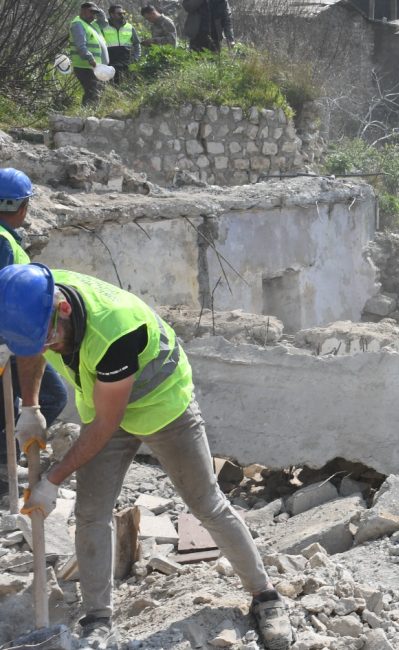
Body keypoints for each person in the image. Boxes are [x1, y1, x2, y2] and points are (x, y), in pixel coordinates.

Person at [3, 264, 293, 650]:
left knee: (206, 503)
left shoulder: (117, 329)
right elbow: (29, 347)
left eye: (46, 339)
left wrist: (52, 479)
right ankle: (98, 623)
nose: (43, 347)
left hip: (162, 405)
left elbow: (107, 424)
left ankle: (266, 597)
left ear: (65, 309)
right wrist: (31, 406)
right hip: (102, 402)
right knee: (90, 513)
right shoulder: (32, 298)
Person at [0, 171, 67, 498]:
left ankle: (6, 464)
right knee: (53, 396)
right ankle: (4, 465)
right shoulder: (1, 241)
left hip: (9, 337)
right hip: (9, 338)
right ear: (21, 206)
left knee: (9, 404)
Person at [69, 2, 109, 106]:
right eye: (91, 12)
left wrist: (99, 11)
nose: (93, 15)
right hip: (85, 65)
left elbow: (104, 23)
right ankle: (86, 115)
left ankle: (91, 114)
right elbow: (80, 45)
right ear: (83, 11)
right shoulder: (78, 24)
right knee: (92, 91)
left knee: (97, 91)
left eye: (95, 13)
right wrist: (90, 59)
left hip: (93, 66)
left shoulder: (92, 25)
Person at [101, 5, 140, 82]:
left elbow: (136, 43)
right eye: (119, 13)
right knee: (112, 84)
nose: (122, 15)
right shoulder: (104, 26)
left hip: (127, 62)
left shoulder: (129, 27)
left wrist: (136, 57)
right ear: (112, 14)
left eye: (123, 13)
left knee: (127, 84)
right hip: (110, 62)